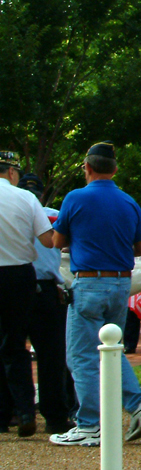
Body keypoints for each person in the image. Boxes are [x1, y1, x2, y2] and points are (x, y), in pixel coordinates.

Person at [49, 142, 141, 447]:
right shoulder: (128, 202)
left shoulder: (75, 198)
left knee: (82, 356)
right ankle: (138, 405)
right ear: (115, 169)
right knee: (114, 350)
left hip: (88, 282)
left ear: (87, 167)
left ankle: (89, 425)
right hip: (120, 284)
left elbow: (57, 241)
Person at [0, 150, 55, 439]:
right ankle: (23, 409)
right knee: (15, 344)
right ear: (11, 172)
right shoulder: (25, 198)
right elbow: (48, 240)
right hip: (17, 274)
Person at [19, 172, 74, 434]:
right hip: (45, 290)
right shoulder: (54, 216)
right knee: (51, 357)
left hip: (18, 286)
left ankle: (16, 411)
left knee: (11, 352)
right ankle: (54, 415)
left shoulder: (9, 212)